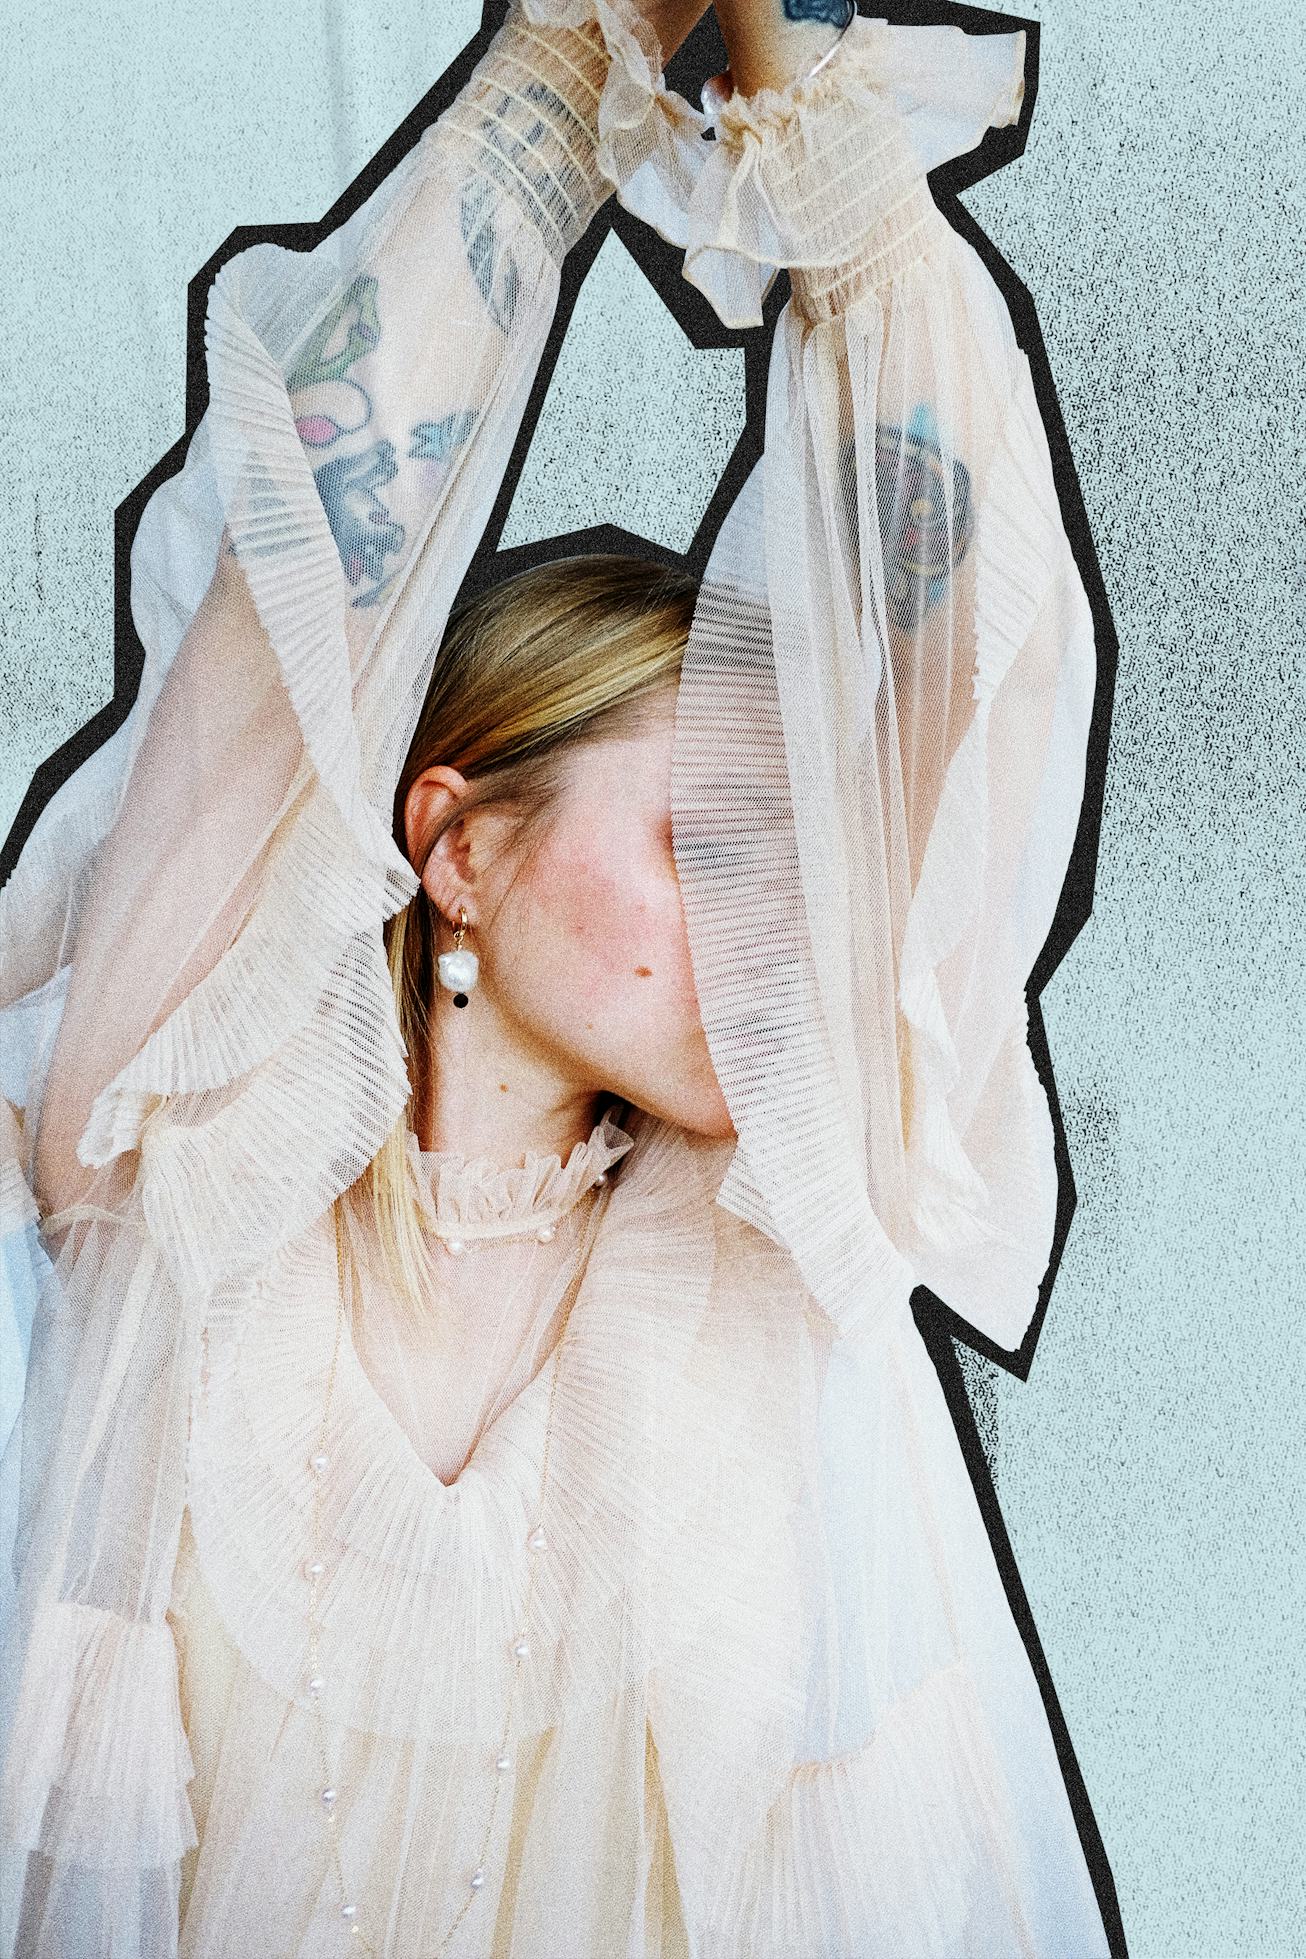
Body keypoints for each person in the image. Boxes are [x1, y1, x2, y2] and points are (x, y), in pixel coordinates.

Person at [0, 0, 1116, 1952]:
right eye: (701, 841)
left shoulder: (791, 1219)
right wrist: (559, 70)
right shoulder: (180, 1168)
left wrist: (804, 114)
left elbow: (955, 648)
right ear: (452, 842)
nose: (768, 925)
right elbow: (290, 611)